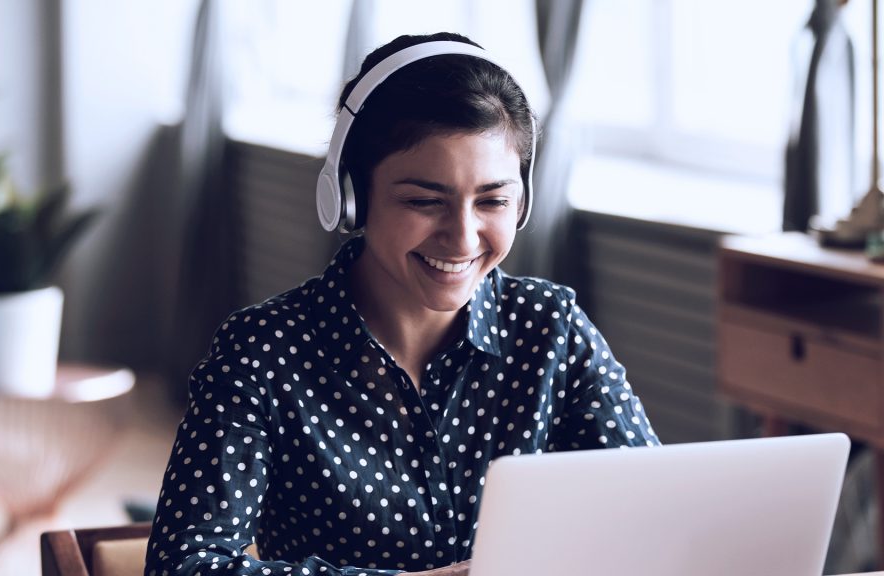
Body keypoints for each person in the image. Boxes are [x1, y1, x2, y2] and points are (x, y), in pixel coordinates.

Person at [145, 32, 659, 576]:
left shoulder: (551, 329)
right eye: (423, 201)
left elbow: (655, 511)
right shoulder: (264, 351)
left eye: (493, 200)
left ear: (523, 202)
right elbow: (184, 564)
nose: (463, 239)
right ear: (349, 197)